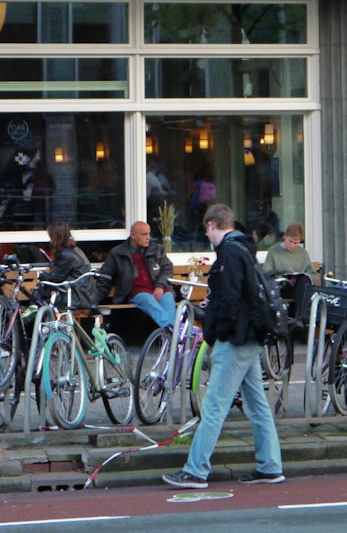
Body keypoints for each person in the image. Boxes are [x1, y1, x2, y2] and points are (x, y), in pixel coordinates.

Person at [162, 203, 284, 489]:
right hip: (251, 335)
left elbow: (230, 299)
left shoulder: (229, 252)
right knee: (257, 405)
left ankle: (195, 471)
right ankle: (270, 466)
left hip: (236, 338)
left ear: (212, 225)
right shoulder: (244, 250)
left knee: (215, 405)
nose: (208, 235)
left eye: (207, 230)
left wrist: (216, 332)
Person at [94, 221, 175, 328]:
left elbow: (167, 269)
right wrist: (92, 302)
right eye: (144, 234)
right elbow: (105, 278)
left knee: (169, 298)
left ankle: (172, 336)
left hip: (161, 289)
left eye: (149, 234)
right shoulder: (117, 253)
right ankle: (173, 331)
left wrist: (160, 286)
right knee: (148, 300)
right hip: (137, 292)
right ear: (133, 235)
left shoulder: (157, 250)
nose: (148, 237)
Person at [261, 222, 315, 319]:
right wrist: (281, 278)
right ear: (285, 236)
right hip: (281, 287)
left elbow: (312, 273)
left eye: (296, 243)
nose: (292, 246)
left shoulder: (302, 252)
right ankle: (298, 320)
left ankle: (300, 319)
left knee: (304, 282)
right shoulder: (274, 250)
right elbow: (266, 273)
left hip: (298, 288)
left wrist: (300, 276)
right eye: (290, 241)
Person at [41, 220, 94, 309]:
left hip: (75, 298)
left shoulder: (65, 255)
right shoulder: (75, 250)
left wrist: (42, 275)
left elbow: (55, 278)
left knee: (41, 294)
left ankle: (33, 314)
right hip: (84, 295)